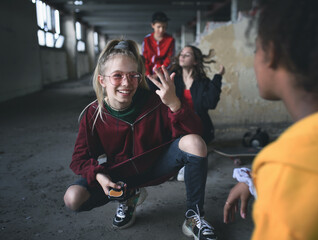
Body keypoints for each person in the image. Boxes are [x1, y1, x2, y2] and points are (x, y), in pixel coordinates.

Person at [223, 0, 318, 239]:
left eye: (256, 49)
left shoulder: (290, 166)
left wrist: (276, 177)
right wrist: (256, 181)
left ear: (272, 53)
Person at [63, 39, 217, 240]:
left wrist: (175, 104)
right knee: (73, 198)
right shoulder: (93, 114)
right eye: (117, 76)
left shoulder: (154, 101)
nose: (126, 83)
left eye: (133, 76)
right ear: (103, 80)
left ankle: (193, 217)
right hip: (121, 176)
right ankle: (129, 198)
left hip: (156, 165)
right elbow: (79, 158)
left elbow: (198, 133)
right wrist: (100, 176)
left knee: (194, 143)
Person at [171, 45, 225, 181]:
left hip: (198, 124)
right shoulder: (173, 79)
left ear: (195, 61)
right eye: (181, 54)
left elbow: (210, 103)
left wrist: (218, 78)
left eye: (187, 55)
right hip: (177, 123)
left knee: (194, 143)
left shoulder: (202, 82)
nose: (182, 56)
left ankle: (187, 164)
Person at [142, 11, 175, 79]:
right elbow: (145, 59)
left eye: (164, 27)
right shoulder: (146, 40)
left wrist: (158, 74)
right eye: (158, 27)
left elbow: (169, 58)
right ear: (152, 25)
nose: (161, 30)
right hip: (148, 75)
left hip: (164, 74)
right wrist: (148, 74)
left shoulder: (170, 40)